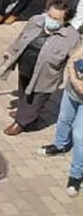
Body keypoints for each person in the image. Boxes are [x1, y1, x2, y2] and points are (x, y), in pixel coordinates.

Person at [0, 4, 80, 138]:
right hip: (26, 65)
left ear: (65, 21)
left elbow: (75, 59)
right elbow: (21, 37)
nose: (50, 20)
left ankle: (21, 122)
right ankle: (24, 112)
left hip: (46, 75)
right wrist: (11, 50)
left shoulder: (72, 37)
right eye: (49, 15)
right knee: (24, 90)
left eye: (56, 19)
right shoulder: (36, 21)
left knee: (36, 98)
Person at [40, 43, 83, 197]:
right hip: (73, 91)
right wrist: (75, 81)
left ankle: (76, 176)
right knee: (64, 119)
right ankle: (60, 145)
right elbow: (73, 59)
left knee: (79, 136)